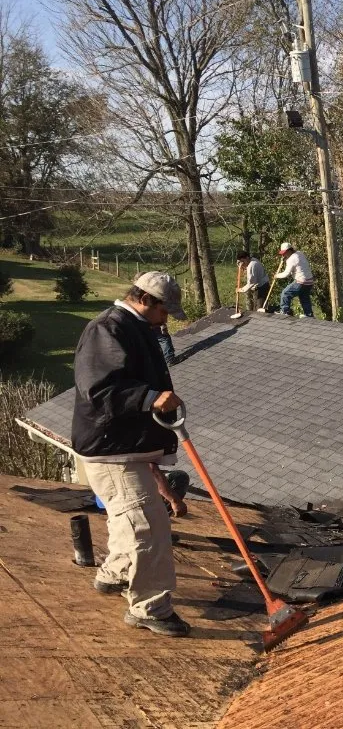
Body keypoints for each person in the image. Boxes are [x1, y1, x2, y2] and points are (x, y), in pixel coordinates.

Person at [71, 271, 192, 637]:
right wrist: (148, 397)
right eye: (165, 310)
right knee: (149, 528)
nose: (166, 318)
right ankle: (150, 608)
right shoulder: (108, 329)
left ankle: (113, 574)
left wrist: (160, 475)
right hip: (111, 451)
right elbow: (99, 388)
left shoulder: (135, 327)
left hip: (123, 448)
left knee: (129, 521)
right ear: (147, 300)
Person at [274, 241, 314, 317]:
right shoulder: (299, 253)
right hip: (309, 281)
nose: (283, 254)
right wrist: (285, 260)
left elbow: (286, 274)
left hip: (301, 281)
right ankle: (309, 314)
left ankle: (284, 311)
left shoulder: (292, 259)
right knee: (304, 297)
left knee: (285, 293)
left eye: (284, 253)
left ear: (289, 250)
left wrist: (277, 275)